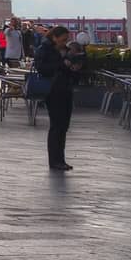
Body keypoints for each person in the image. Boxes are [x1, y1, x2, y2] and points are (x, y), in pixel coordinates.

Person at [33, 25, 82, 171]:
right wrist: (61, 64)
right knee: (57, 125)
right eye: (63, 40)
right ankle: (54, 160)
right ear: (54, 37)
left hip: (65, 89)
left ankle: (61, 159)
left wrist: (74, 68)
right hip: (53, 91)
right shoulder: (44, 49)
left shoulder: (65, 50)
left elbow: (67, 69)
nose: (64, 42)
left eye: (66, 40)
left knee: (64, 126)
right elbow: (41, 68)